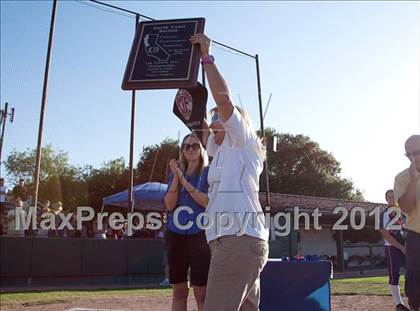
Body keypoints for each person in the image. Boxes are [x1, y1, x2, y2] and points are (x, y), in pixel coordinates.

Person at [190, 34, 269, 311]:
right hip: (235, 244)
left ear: (238, 122)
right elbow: (197, 122)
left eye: (218, 119)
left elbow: (223, 101)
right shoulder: (219, 154)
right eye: (211, 120)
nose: (213, 123)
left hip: (238, 242)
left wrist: (206, 58)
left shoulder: (242, 142)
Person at [164, 133, 211, 311]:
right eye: (187, 146)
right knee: (179, 291)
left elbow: (205, 201)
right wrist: (177, 175)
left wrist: (183, 179)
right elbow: (169, 205)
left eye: (195, 145)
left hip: (200, 235)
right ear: (182, 151)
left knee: (201, 292)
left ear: (201, 149)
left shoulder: (208, 173)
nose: (191, 149)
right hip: (175, 235)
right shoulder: (174, 174)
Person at [394, 135, 420, 311]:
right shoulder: (402, 178)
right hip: (416, 237)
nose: (414, 157)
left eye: (417, 152)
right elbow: (405, 208)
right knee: (415, 283)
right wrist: (413, 180)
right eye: (409, 155)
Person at [380, 189, 410, 311]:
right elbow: (386, 235)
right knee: (394, 274)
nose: (392, 198)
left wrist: (407, 245)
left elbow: (409, 231)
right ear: (386, 199)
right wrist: (401, 247)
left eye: (394, 196)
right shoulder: (384, 215)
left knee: (412, 273)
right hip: (392, 247)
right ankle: (399, 304)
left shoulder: (403, 214)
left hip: (406, 248)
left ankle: (413, 300)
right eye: (389, 197)